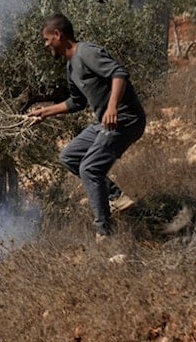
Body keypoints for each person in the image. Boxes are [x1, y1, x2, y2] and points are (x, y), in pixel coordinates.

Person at [26, 13, 145, 239]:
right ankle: (116, 197)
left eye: (46, 39)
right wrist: (46, 113)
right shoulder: (71, 67)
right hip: (105, 123)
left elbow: (119, 74)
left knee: (89, 168)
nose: (45, 44)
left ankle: (104, 233)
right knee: (69, 156)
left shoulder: (87, 52)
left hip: (125, 119)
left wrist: (112, 107)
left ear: (58, 35)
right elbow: (76, 102)